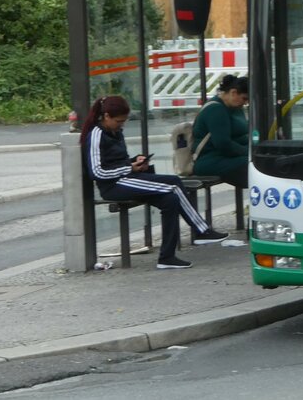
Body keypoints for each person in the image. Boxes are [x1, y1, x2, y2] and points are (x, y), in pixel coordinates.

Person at [80, 95, 227, 269]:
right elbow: (97, 172)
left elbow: (118, 160)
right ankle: (201, 229)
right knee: (173, 183)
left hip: (127, 178)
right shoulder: (96, 135)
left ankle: (167, 257)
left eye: (124, 121)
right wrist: (130, 168)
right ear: (106, 117)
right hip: (114, 185)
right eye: (119, 121)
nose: (122, 125)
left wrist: (135, 162)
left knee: (170, 200)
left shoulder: (116, 132)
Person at [191, 74, 249, 188]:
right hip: (210, 161)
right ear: (233, 92)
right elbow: (223, 144)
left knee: (259, 162)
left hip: (226, 158)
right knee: (254, 165)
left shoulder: (234, 108)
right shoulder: (216, 110)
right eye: (244, 98)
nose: (246, 102)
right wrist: (249, 152)